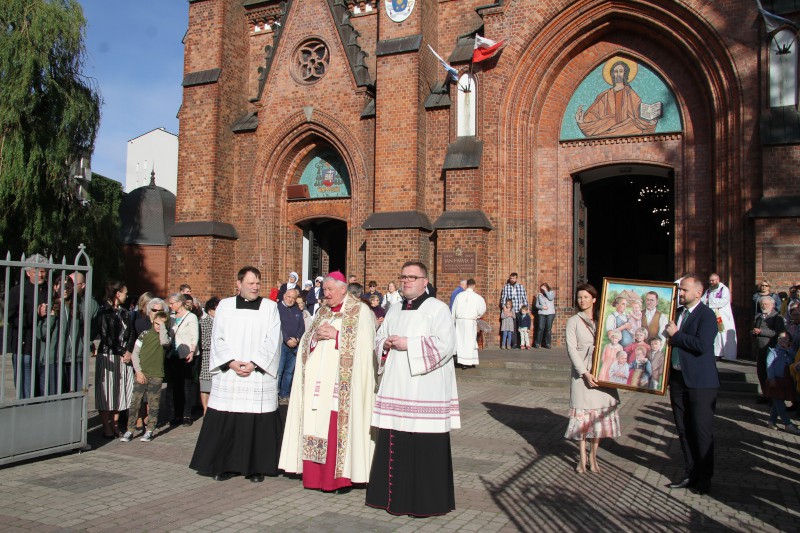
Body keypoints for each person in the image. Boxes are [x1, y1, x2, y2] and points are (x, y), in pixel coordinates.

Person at [367, 261, 459, 516]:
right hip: (397, 386)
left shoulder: (438, 309)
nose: (406, 281)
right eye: (404, 277)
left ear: (425, 281)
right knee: (395, 440)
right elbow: (378, 338)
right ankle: (390, 498)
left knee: (422, 444)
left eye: (412, 277)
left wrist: (410, 344)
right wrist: (384, 343)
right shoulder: (394, 309)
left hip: (424, 388)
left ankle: (425, 501)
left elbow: (446, 345)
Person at [279, 271, 377, 492]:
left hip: (341, 385)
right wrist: (313, 338)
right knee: (315, 422)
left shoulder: (359, 311)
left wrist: (337, 336)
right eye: (324, 290)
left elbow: (366, 344)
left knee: (336, 425)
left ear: (343, 289)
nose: (326, 294)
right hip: (318, 381)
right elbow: (306, 341)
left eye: (330, 290)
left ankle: (341, 478)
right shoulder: (322, 311)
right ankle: (314, 477)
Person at [189, 266, 282, 482]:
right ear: (238, 284)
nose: (255, 287)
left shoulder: (270, 307)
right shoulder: (225, 306)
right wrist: (230, 362)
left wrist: (255, 364)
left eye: (258, 283)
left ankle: (256, 467)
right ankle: (225, 464)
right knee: (228, 420)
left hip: (258, 374)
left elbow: (273, 338)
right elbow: (217, 337)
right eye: (250, 283)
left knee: (256, 421)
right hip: (230, 373)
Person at [665, 275, 720, 495]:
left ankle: (705, 479)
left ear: (698, 292)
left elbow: (702, 345)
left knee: (701, 431)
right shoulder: (677, 313)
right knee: (684, 429)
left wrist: (677, 336)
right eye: (680, 290)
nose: (681, 294)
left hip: (701, 383)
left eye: (685, 290)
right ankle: (691, 472)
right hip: (678, 380)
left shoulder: (707, 315)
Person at [564, 283, 621, 474]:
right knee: (583, 418)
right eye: (580, 297)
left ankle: (593, 456)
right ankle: (581, 458)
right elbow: (571, 349)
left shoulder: (604, 320)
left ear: (594, 299)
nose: (582, 300)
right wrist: (584, 372)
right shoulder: (573, 321)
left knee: (598, 417)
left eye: (586, 297)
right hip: (583, 374)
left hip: (602, 371)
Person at [120, 310, 171, 442]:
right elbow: (135, 354)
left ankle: (150, 429)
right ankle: (130, 429)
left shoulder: (167, 336)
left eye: (162, 324)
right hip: (142, 373)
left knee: (154, 403)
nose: (159, 326)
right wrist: (138, 371)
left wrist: (163, 328)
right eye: (157, 323)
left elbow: (164, 342)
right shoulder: (144, 334)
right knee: (135, 402)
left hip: (156, 375)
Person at [574, 59, 657, 137]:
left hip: (626, 127)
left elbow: (637, 112)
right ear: (612, 74)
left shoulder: (630, 93)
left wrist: (650, 121)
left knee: (633, 125)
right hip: (607, 127)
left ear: (625, 73)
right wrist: (581, 121)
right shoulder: (605, 95)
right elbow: (593, 113)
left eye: (621, 71)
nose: (618, 74)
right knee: (608, 123)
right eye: (615, 71)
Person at [5, 253, 48, 399]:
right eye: (37, 271)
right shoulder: (18, 291)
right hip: (25, 347)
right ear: (28, 272)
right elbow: (11, 318)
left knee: (44, 391)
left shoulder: (49, 291)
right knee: (26, 392)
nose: (41, 275)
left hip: (45, 349)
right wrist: (35, 313)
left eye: (43, 271)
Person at [96, 280, 133, 438]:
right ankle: (106, 426)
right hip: (108, 355)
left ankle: (116, 424)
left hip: (123, 355)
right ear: (117, 294)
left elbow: (131, 333)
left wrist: (129, 350)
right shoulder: (104, 311)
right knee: (107, 391)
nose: (127, 295)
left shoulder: (124, 312)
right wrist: (121, 351)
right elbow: (106, 337)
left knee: (120, 391)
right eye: (125, 293)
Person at [165, 293, 199, 426]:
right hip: (173, 355)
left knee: (186, 386)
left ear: (180, 302)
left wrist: (192, 350)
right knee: (175, 386)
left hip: (186, 355)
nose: (170, 305)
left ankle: (187, 415)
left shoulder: (191, 317)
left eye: (172, 303)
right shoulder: (171, 317)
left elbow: (194, 335)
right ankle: (176, 414)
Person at [752, 295, 786, 402]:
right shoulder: (759, 316)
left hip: (771, 348)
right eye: (761, 304)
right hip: (760, 349)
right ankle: (765, 394)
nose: (763, 306)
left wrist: (761, 332)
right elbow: (754, 329)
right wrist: (753, 332)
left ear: (772, 305)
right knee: (761, 372)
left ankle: (772, 397)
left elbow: (777, 332)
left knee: (769, 373)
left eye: (765, 304)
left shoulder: (777, 317)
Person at [764, 336, 799, 434]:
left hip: (786, 380)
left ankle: (771, 421)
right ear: (778, 341)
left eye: (786, 339)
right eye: (781, 339)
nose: (783, 341)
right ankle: (788, 424)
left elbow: (795, 357)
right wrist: (771, 378)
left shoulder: (789, 352)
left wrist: (787, 349)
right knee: (779, 402)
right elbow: (769, 365)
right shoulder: (773, 351)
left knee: (777, 401)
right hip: (776, 379)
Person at [277, 288, 305, 405]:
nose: (291, 300)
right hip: (282, 344)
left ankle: (284, 394)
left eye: (294, 298)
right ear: (284, 296)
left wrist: (297, 339)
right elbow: (278, 326)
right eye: (289, 297)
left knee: (289, 372)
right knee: (279, 370)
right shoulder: (277, 308)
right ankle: (275, 394)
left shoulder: (296, 309)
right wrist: (287, 339)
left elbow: (301, 326)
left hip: (295, 344)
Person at [701, 273, 737, 360]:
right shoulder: (708, 290)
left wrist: (709, 301)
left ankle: (728, 355)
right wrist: (708, 301)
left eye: (713, 280)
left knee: (723, 333)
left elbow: (724, 301)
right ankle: (717, 354)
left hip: (723, 317)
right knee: (715, 335)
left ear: (718, 280)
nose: (711, 282)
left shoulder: (724, 289)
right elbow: (702, 300)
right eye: (710, 280)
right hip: (711, 316)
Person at [452, 278, 486, 367]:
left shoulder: (459, 296)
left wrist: (453, 320)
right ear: (474, 285)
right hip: (470, 321)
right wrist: (477, 316)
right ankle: (467, 362)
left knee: (460, 341)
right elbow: (482, 309)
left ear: (467, 285)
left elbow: (453, 309)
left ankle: (460, 361)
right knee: (469, 341)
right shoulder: (478, 297)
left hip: (459, 321)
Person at [198, 297, 220, 415]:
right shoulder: (204, 322)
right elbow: (203, 341)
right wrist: (216, 344)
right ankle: (205, 409)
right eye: (216, 309)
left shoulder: (222, 322)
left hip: (218, 357)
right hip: (207, 356)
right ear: (210, 311)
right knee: (205, 384)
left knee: (214, 384)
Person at [499, 273, 528, 348]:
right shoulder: (506, 287)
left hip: (520, 310)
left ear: (516, 278)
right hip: (511, 310)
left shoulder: (521, 287)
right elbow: (503, 298)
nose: (512, 279)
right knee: (513, 328)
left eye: (514, 278)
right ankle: (514, 344)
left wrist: (526, 309)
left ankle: (521, 343)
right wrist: (504, 307)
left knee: (521, 326)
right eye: (511, 278)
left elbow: (524, 298)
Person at [534, 283, 556, 349]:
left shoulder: (552, 293)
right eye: (541, 289)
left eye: (543, 288)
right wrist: (542, 307)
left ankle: (548, 344)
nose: (542, 290)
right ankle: (537, 343)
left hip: (550, 313)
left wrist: (546, 291)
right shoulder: (539, 295)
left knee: (548, 329)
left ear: (546, 287)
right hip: (542, 313)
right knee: (540, 328)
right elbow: (537, 305)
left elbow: (550, 298)